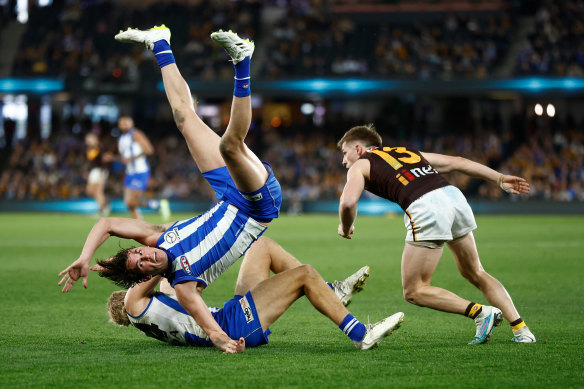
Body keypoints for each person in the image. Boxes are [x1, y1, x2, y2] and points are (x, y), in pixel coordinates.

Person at [59, 26, 285, 353]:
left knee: (184, 117)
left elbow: (107, 224)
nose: (143, 255)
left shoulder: (156, 242)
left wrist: (85, 256)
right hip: (253, 205)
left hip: (228, 197)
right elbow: (182, 297)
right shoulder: (175, 282)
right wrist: (218, 337)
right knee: (230, 145)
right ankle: (242, 63)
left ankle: (161, 42)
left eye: (136, 252)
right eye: (141, 262)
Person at [336, 124, 536, 344]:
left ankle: (480, 313)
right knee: (476, 272)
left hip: (426, 206)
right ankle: (522, 330)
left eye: (345, 153)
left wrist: (345, 227)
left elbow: (347, 203)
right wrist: (499, 178)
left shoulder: (361, 164)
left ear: (358, 148)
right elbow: (457, 162)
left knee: (414, 290)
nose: (344, 161)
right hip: (452, 197)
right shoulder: (408, 152)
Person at [105, 236, 404, 351]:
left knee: (261, 246)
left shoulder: (153, 312)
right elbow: (157, 269)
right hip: (231, 327)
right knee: (305, 274)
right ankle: (360, 334)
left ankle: (332, 295)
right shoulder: (133, 302)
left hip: (226, 315)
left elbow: (176, 282)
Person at [117, 115, 156, 219]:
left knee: (131, 201)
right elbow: (125, 157)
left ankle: (153, 204)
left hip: (140, 171)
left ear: (132, 124)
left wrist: (132, 158)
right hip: (129, 172)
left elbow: (149, 150)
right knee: (128, 203)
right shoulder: (121, 138)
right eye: (121, 123)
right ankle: (139, 222)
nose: (123, 125)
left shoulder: (136, 134)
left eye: (126, 123)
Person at [85, 133, 113, 217]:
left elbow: (107, 158)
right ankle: (106, 203)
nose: (87, 141)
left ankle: (101, 210)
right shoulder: (89, 149)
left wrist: (104, 172)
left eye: (89, 139)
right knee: (89, 191)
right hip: (93, 171)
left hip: (100, 171)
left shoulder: (100, 148)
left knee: (98, 191)